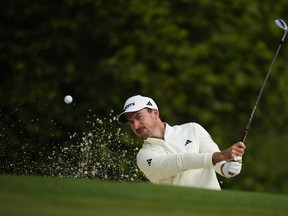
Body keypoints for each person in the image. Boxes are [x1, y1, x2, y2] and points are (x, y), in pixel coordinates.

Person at [118, 95, 246, 190]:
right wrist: (222, 156)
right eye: (131, 122)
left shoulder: (193, 129)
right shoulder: (144, 156)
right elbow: (181, 161)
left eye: (138, 117)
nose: (135, 125)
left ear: (155, 113)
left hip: (214, 207)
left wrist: (227, 167)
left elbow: (215, 158)